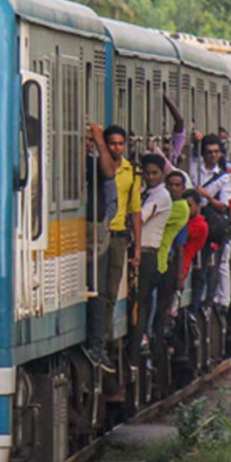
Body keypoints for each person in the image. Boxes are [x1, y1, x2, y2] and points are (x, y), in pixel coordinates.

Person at [87, 125, 142, 368]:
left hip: (119, 235)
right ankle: (98, 343)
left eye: (121, 144)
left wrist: (137, 247)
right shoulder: (100, 167)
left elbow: (135, 210)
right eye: (112, 144)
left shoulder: (132, 171)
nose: (117, 148)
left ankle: (105, 339)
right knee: (98, 290)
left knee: (110, 291)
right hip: (99, 233)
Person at [130, 153, 172, 367]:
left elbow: (140, 216)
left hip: (148, 254)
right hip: (142, 252)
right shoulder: (146, 192)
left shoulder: (161, 196)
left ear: (162, 174)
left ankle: (140, 341)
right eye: (146, 173)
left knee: (141, 301)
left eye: (154, 173)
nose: (150, 177)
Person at [151, 170, 190, 397]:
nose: (173, 188)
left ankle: (163, 364)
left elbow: (180, 246)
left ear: (183, 188)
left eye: (178, 185)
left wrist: (180, 275)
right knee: (161, 318)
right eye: (170, 184)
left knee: (161, 319)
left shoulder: (178, 209)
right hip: (163, 266)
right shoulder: (169, 204)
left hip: (165, 267)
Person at [188, 133, 231, 313]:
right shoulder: (194, 167)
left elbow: (223, 206)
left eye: (216, 152)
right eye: (209, 152)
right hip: (188, 221)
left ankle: (202, 303)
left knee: (206, 264)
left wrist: (205, 196)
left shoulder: (223, 178)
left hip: (208, 226)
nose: (212, 156)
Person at [85, 123, 117, 372]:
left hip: (93, 230)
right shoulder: (66, 160)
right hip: (78, 229)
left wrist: (100, 143)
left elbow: (108, 172)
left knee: (99, 289)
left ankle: (97, 345)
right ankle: (95, 345)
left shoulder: (97, 162)